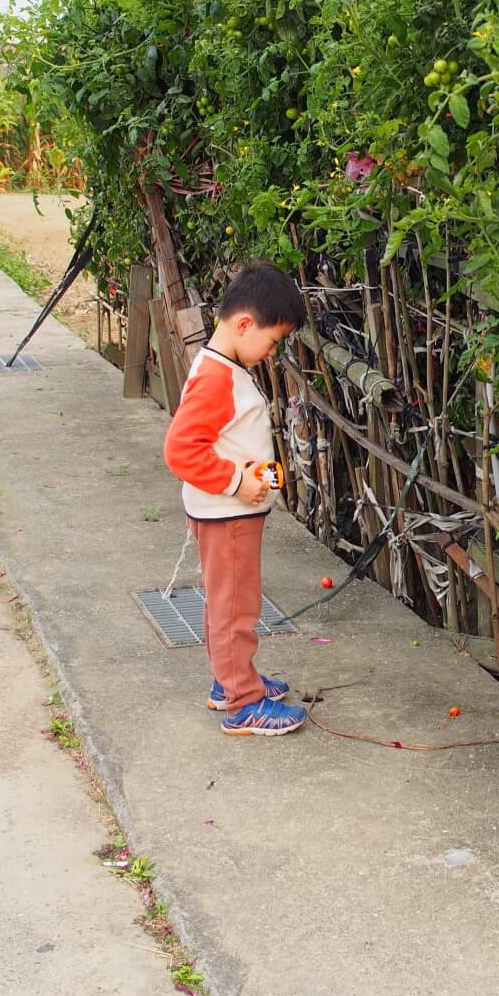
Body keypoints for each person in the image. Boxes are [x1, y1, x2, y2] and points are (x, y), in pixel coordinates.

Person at [163, 263, 309, 736]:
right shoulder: (217, 379)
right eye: (272, 341)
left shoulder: (220, 368)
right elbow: (181, 449)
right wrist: (235, 482)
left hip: (230, 513)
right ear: (244, 324)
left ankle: (231, 681)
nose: (271, 353)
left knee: (226, 602)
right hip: (228, 515)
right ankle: (244, 703)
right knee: (236, 607)